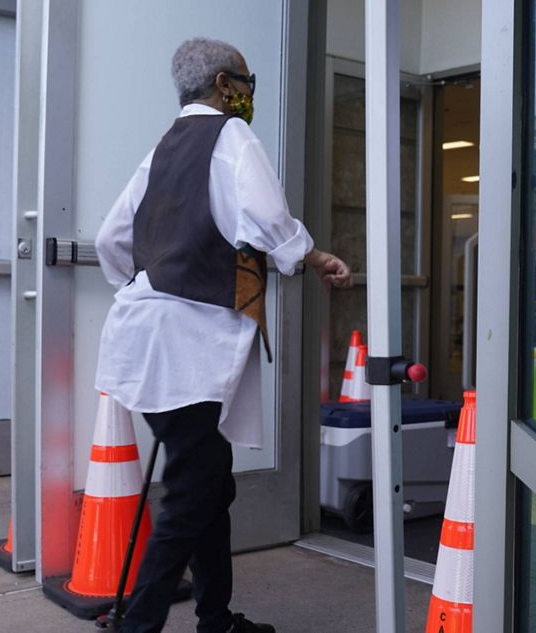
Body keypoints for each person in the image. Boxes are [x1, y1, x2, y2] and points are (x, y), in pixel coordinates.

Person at [94, 38, 352, 633]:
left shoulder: (162, 148)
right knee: (193, 491)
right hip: (192, 345)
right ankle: (139, 624)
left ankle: (216, 617)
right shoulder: (230, 136)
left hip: (146, 337)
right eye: (245, 79)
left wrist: (146, 285)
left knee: (209, 483)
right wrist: (312, 257)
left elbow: (112, 239)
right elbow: (267, 214)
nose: (249, 91)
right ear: (222, 82)